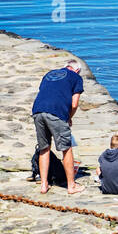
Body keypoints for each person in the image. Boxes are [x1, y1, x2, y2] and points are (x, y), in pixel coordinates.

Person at [31, 60, 85, 195]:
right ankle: (71, 186)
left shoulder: (49, 74)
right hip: (56, 112)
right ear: (77, 70)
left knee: (44, 148)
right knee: (66, 149)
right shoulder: (76, 77)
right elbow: (74, 104)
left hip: (37, 110)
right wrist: (69, 118)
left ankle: (44, 185)